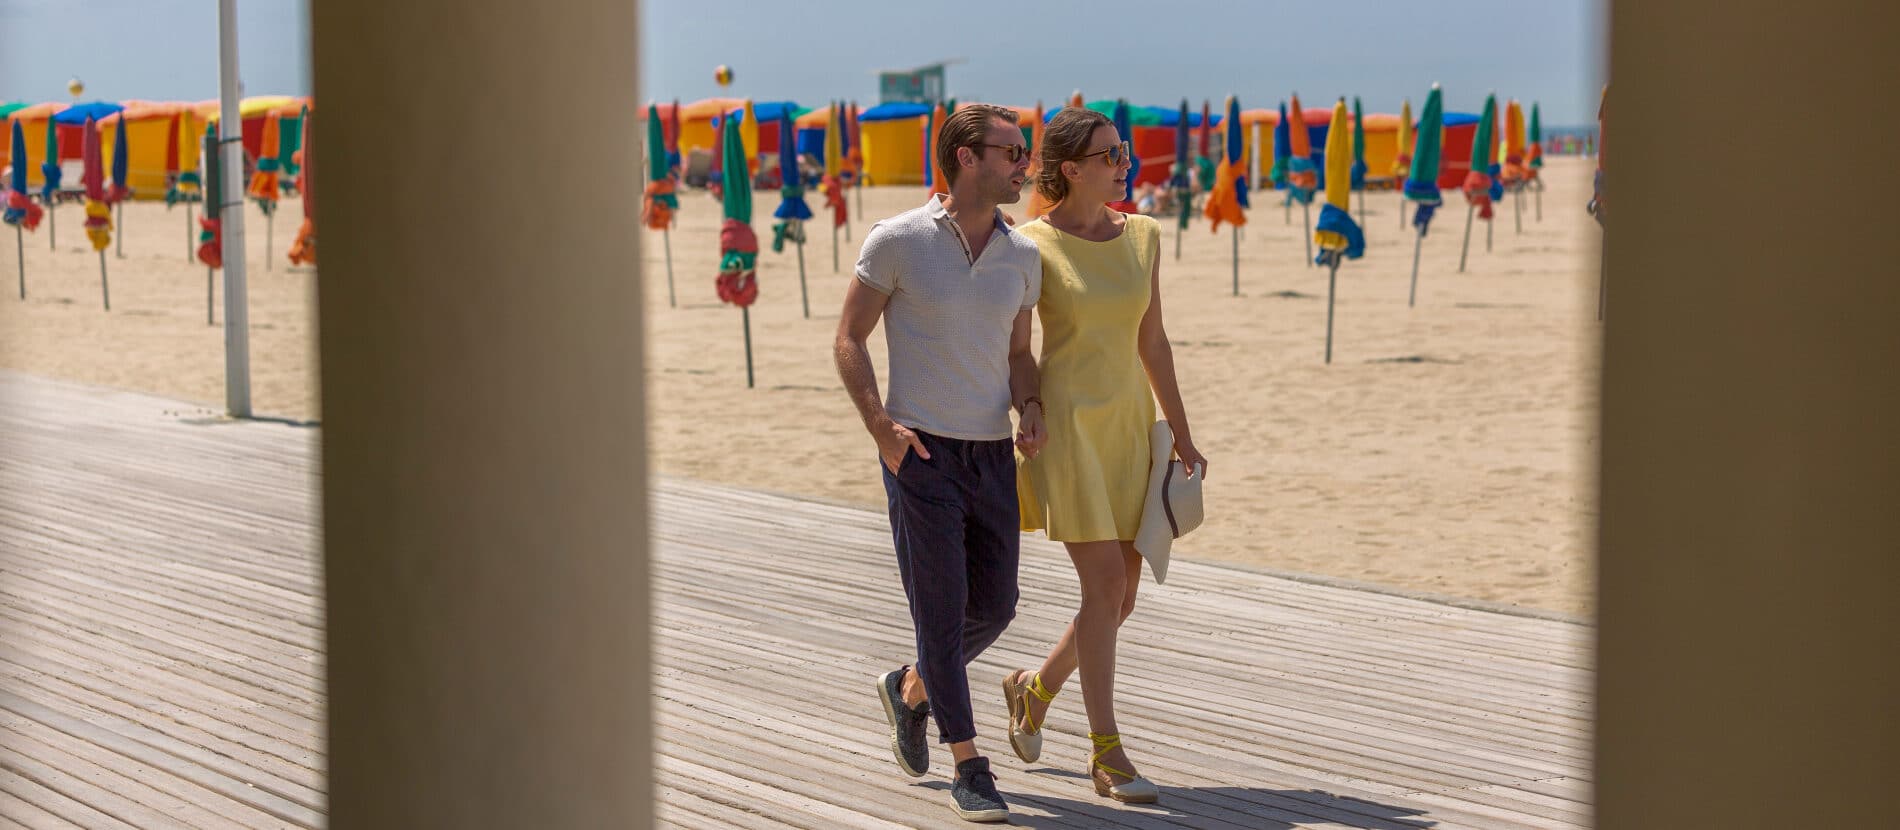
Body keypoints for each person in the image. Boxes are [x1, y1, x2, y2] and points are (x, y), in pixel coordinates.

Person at [833, 103, 1044, 823]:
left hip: (991, 457)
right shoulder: (897, 241)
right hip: (919, 453)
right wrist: (881, 427)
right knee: (941, 609)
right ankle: (970, 765)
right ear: (965, 156)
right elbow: (848, 339)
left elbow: (1019, 354)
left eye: (1025, 152)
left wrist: (1032, 407)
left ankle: (912, 687)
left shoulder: (1023, 256)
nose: (1025, 165)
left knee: (997, 605)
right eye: (1012, 152)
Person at [1002, 107, 1207, 805]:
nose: (1124, 163)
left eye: (1123, 152)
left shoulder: (1144, 235)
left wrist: (1180, 430)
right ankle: (1107, 754)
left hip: (1127, 427)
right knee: (1104, 590)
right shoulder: (1029, 244)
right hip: (1065, 433)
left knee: (1118, 597)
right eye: (1109, 155)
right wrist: (1025, 410)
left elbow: (1154, 343)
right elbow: (1018, 348)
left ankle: (1033, 690)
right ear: (1071, 169)